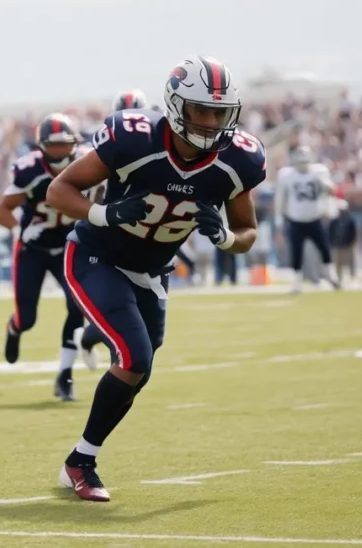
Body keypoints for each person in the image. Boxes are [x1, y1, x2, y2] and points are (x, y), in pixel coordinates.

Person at [45, 55, 265, 501]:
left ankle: (79, 456)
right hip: (96, 255)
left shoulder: (237, 160)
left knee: (139, 368)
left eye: (219, 112)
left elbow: (248, 232)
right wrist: (104, 212)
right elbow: (59, 191)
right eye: (200, 110)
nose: (210, 122)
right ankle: (81, 463)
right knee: (134, 358)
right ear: (175, 106)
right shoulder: (135, 138)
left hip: (152, 272)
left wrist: (224, 238)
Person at [0, 113, 92, 402]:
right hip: (33, 249)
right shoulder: (29, 170)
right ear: (40, 147)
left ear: (76, 143)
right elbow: (3, 210)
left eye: (65, 145)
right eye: (54, 146)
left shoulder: (88, 164)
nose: (60, 152)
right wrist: (20, 233)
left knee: (77, 307)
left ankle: (65, 375)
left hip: (68, 245)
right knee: (27, 318)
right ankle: (14, 329)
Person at [275, 146, 339, 293]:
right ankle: (297, 283)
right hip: (295, 220)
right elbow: (280, 199)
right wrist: (279, 220)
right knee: (296, 252)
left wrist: (328, 202)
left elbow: (331, 191)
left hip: (315, 218)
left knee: (325, 249)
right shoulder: (286, 175)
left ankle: (331, 277)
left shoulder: (319, 172)